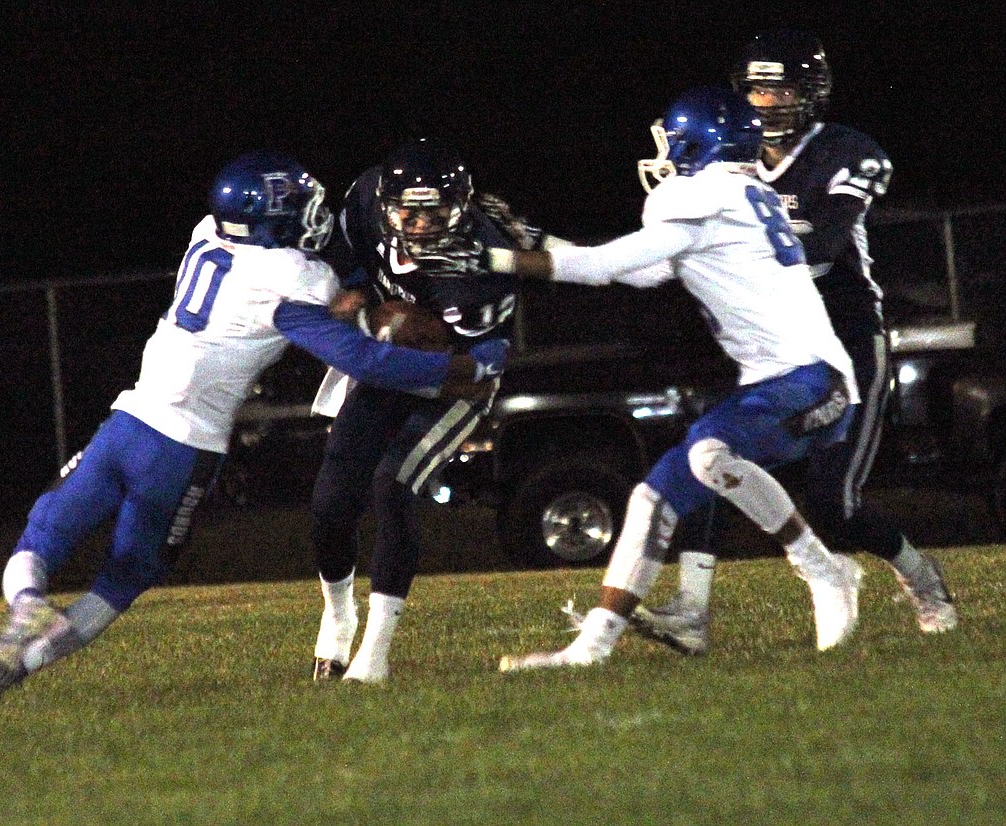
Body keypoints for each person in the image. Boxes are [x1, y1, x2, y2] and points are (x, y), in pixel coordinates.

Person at [0, 150, 503, 702]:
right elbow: (365, 361)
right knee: (127, 574)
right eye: (302, 207)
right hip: (184, 450)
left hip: (128, 421)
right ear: (274, 221)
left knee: (43, 533)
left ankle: (19, 620)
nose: (315, 215)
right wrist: (459, 367)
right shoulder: (293, 277)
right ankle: (21, 665)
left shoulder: (206, 235)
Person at [487, 86, 865, 671]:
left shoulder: (705, 196)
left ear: (699, 141)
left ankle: (824, 569)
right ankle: (590, 650)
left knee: (709, 454)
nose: (663, 152)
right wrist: (538, 241)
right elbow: (635, 273)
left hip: (811, 380)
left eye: (670, 139)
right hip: (779, 382)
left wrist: (497, 260)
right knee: (650, 498)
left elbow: (602, 267)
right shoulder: (736, 196)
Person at [630, 29, 956, 657]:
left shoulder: (847, 152)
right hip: (773, 343)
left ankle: (920, 577)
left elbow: (828, 243)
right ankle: (692, 608)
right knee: (709, 455)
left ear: (810, 93)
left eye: (779, 89)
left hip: (845, 337)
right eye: (755, 88)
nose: (765, 103)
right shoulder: (730, 159)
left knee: (832, 504)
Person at [309, 137, 566, 684]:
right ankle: (338, 613)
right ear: (386, 203)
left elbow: (483, 360)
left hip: (458, 379)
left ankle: (373, 657)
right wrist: (361, 295)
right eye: (408, 212)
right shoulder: (366, 199)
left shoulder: (477, 262)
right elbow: (347, 252)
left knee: (393, 483)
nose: (420, 226)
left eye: (434, 214)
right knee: (332, 501)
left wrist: (424, 345)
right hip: (386, 365)